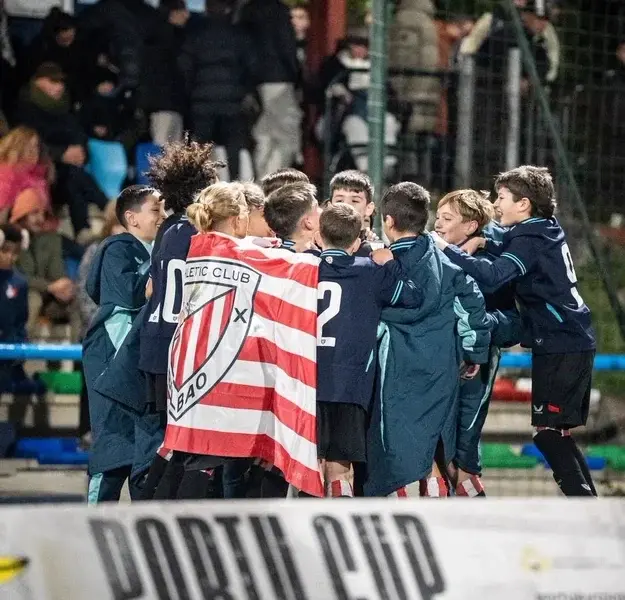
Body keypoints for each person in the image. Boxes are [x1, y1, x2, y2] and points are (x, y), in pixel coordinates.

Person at [432, 166, 597, 497]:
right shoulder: (542, 229)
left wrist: (446, 249)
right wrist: (484, 240)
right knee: (556, 433)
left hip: (561, 342)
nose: (496, 204)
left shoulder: (529, 238)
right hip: (570, 339)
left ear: (523, 204)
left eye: (503, 197)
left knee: (548, 434)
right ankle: (588, 506)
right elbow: (508, 246)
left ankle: (585, 504)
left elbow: (496, 274)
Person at [367, 182, 490, 498]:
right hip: (441, 368)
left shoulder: (377, 262)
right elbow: (472, 303)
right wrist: (474, 352)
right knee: (435, 448)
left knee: (394, 454)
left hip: (394, 370)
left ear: (388, 221)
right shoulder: (446, 261)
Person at [314, 203, 421, 497]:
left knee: (307, 464)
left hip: (305, 382)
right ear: (356, 242)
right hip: (349, 386)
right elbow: (412, 296)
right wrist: (390, 262)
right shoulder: (371, 271)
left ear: (319, 236)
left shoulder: (303, 267)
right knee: (339, 467)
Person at [137, 140, 223, 500]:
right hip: (182, 349)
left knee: (172, 437)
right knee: (190, 441)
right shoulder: (201, 234)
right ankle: (157, 507)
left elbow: (151, 288)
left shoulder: (167, 229)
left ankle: (149, 502)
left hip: (154, 342)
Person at [434, 189, 520, 496]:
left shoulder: (487, 267)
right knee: (438, 449)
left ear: (471, 226)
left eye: (447, 218)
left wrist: (475, 343)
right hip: (438, 363)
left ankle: (474, 509)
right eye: (437, 217)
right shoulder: (432, 257)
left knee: (463, 451)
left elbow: (509, 323)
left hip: (474, 366)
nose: (438, 224)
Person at [82, 185, 161, 503]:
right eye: (155, 210)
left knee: (142, 457)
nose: (162, 216)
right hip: (113, 362)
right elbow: (128, 293)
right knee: (112, 451)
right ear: (132, 217)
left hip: (135, 365)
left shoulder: (155, 250)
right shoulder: (118, 248)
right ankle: (94, 524)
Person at [15, 62, 109, 241]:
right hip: (42, 173)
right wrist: (62, 154)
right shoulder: (25, 109)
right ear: (38, 81)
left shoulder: (65, 108)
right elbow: (27, 145)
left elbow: (79, 136)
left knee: (73, 176)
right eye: (53, 81)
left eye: (60, 82)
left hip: (67, 172)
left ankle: (84, 228)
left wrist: (80, 153)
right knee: (73, 176)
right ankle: (106, 208)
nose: (59, 87)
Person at [178, 0, 257, 181]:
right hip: (232, 100)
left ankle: (199, 183)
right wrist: (244, 89)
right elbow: (251, 65)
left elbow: (185, 65)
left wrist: (191, 91)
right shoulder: (239, 34)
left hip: (202, 100)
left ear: (206, 9)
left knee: (201, 146)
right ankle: (235, 181)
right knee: (233, 146)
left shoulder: (196, 34)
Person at [76, 203, 125, 444]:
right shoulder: (95, 251)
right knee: (92, 386)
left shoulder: (143, 252)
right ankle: (87, 434)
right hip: (98, 332)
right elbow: (85, 294)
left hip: (127, 334)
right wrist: (104, 324)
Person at [239, 0, 302, 177]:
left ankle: (261, 178)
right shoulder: (278, 11)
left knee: (264, 133)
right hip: (279, 78)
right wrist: (297, 77)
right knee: (286, 135)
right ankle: (273, 180)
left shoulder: (247, 11)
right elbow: (287, 46)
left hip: (254, 82)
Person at [11, 192, 76, 339]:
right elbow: (17, 277)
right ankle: (20, 348)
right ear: (22, 214)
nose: (40, 218)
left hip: (49, 298)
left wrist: (64, 286)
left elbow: (57, 272)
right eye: (34, 213)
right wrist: (49, 286)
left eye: (43, 214)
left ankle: (81, 351)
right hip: (19, 294)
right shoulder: (11, 238)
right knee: (33, 298)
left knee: (78, 300)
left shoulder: (52, 239)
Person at [141, 0, 189, 145]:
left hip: (161, 104)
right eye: (183, 11)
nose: (187, 15)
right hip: (169, 102)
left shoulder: (152, 36)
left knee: (162, 147)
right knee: (168, 148)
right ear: (173, 13)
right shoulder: (175, 39)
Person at [0, 127, 55, 227]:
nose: (33, 151)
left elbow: (46, 215)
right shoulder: (6, 175)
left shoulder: (40, 178)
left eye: (35, 146)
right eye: (28, 146)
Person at [328, 170, 381, 257]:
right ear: (329, 207)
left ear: (369, 208)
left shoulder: (378, 252)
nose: (346, 205)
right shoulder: (317, 248)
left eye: (355, 201)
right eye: (339, 201)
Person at [264, 181, 320, 252]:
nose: (323, 210)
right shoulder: (316, 257)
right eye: (317, 207)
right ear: (308, 222)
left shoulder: (272, 253)